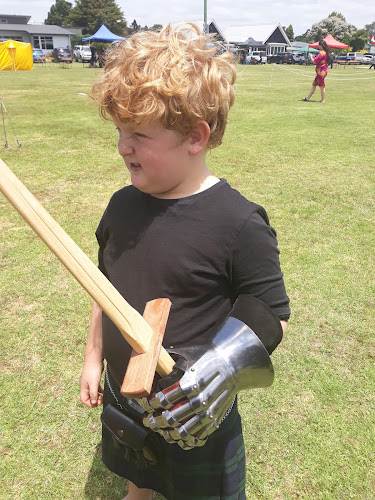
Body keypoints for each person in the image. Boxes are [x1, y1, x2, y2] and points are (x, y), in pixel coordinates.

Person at [81, 23, 290, 500]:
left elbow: (271, 310)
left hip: (195, 410)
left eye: (138, 134)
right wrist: (94, 357)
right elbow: (104, 290)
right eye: (118, 131)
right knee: (142, 478)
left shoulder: (237, 222)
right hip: (127, 398)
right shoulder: (121, 205)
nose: (122, 147)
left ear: (195, 137)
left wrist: (219, 372)